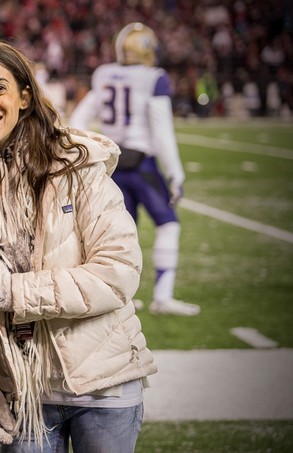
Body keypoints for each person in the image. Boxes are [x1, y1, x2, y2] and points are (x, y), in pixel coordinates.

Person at [0, 38, 157, 452]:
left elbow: (117, 274)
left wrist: (12, 291)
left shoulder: (78, 167)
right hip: (21, 392)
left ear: (24, 96)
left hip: (101, 385)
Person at [69, 22, 200, 316]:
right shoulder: (154, 77)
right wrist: (175, 173)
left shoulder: (103, 73)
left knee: (120, 235)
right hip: (143, 165)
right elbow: (162, 130)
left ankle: (121, 298)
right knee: (168, 224)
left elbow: (79, 117)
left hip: (112, 164)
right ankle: (163, 297)